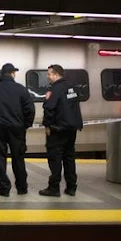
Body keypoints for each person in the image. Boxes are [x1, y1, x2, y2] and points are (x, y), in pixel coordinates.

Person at [0, 63, 35, 196]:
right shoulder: (21, 89)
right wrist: (26, 125)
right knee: (18, 157)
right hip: (17, 129)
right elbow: (30, 109)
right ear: (12, 74)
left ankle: (4, 187)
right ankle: (22, 187)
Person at [39, 64, 83, 197]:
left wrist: (47, 125)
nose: (48, 77)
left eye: (49, 74)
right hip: (72, 129)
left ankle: (54, 188)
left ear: (56, 74)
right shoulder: (72, 88)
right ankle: (71, 187)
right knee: (69, 158)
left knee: (55, 158)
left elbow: (49, 108)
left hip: (57, 130)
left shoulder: (55, 89)